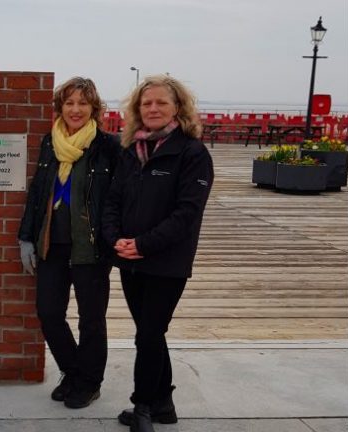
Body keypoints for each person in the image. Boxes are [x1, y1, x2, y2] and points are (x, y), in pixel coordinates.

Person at [101, 75, 214, 432]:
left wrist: (144, 244)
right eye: (146, 103)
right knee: (150, 332)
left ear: (177, 108)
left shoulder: (192, 153)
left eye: (161, 102)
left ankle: (143, 407)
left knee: (148, 334)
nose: (152, 108)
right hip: (131, 260)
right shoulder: (130, 152)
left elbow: (186, 213)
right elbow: (113, 200)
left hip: (167, 262)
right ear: (137, 110)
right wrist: (115, 238)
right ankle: (163, 402)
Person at [18, 77, 121, 409]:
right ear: (59, 107)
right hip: (52, 243)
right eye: (69, 103)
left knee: (91, 319)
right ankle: (74, 372)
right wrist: (26, 237)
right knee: (48, 312)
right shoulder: (50, 142)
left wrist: (113, 237)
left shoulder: (108, 146)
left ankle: (90, 383)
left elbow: (118, 199)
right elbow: (38, 192)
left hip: (90, 247)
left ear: (94, 108)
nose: (75, 109)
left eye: (82, 103)